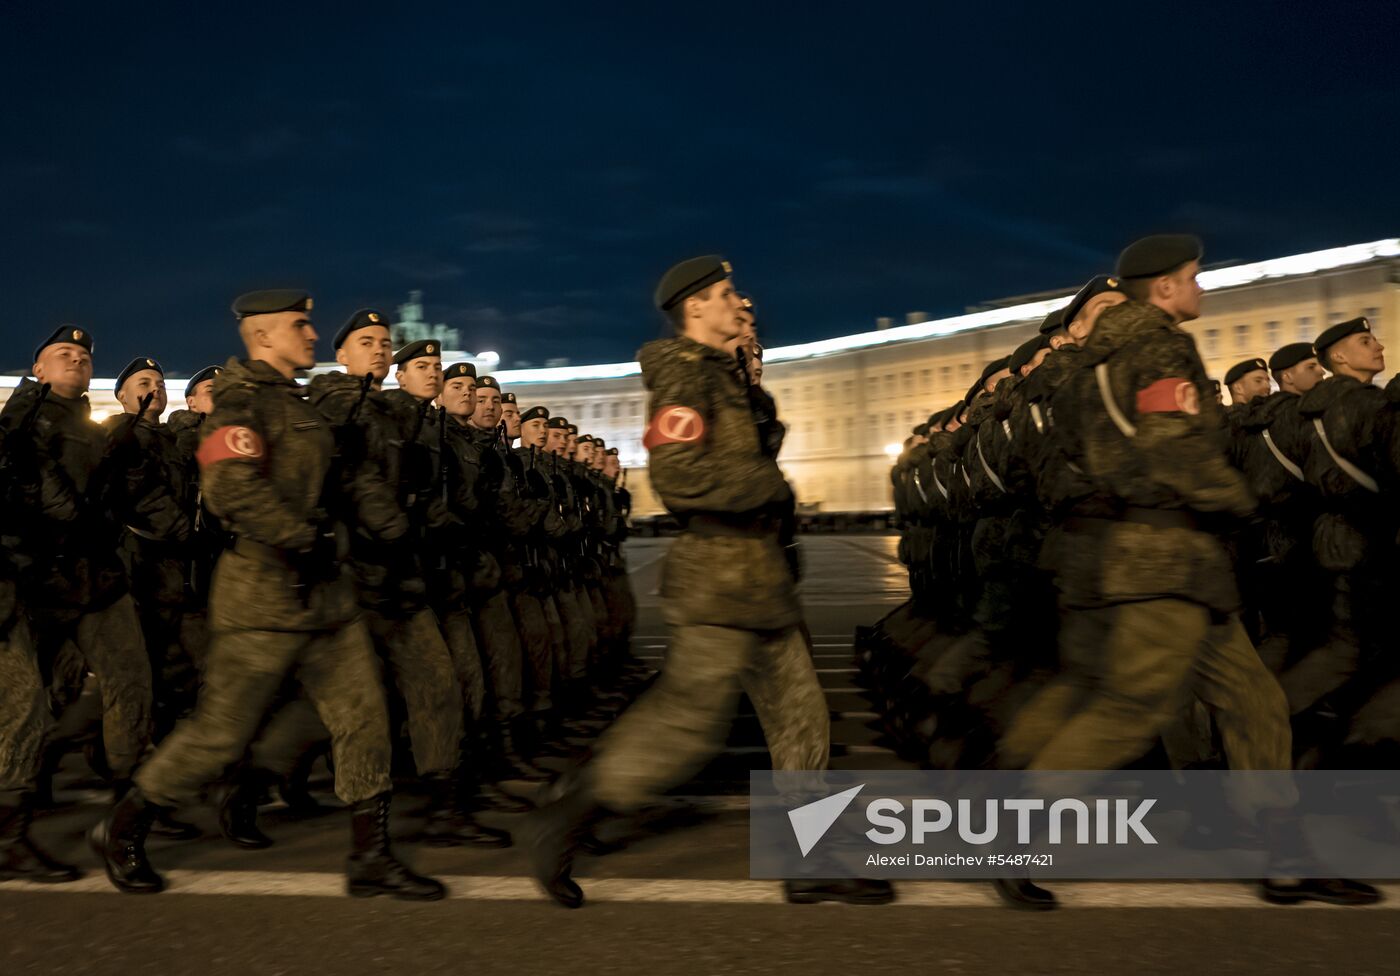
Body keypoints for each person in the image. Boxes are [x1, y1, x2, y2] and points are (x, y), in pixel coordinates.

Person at [999, 235, 1377, 909]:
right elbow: (1172, 452)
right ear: (1163, 288)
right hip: (1160, 564)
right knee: (1130, 708)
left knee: (1254, 702)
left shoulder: (1092, 364)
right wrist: (1235, 498)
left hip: (1167, 566)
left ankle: (1284, 855)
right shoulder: (1154, 348)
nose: (1201, 289)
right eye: (1193, 278)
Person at [527, 255, 893, 909]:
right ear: (695, 307)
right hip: (721, 586)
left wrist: (754, 389)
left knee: (803, 723)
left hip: (762, 584)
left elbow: (742, 448)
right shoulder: (682, 379)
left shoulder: (724, 381)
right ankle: (570, 811)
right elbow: (678, 475)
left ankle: (810, 862)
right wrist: (767, 485)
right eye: (727, 294)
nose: (739, 302)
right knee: (685, 726)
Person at [93, 290, 443, 900]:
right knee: (218, 736)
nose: (312, 336)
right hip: (261, 602)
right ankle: (126, 823)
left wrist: (385, 520)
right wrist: (303, 534)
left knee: (364, 720)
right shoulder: (239, 403)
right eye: (300, 326)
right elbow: (232, 489)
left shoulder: (301, 402)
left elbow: (341, 477)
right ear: (262, 336)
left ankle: (371, 856)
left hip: (328, 603)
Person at [1, 327, 155, 812]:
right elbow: (41, 498)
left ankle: (130, 801)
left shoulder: (92, 426)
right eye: (62, 353)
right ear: (38, 370)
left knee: (130, 679)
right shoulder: (20, 422)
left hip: (95, 578)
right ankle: (25, 796)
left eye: (84, 356)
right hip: (38, 581)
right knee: (38, 694)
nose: (77, 359)